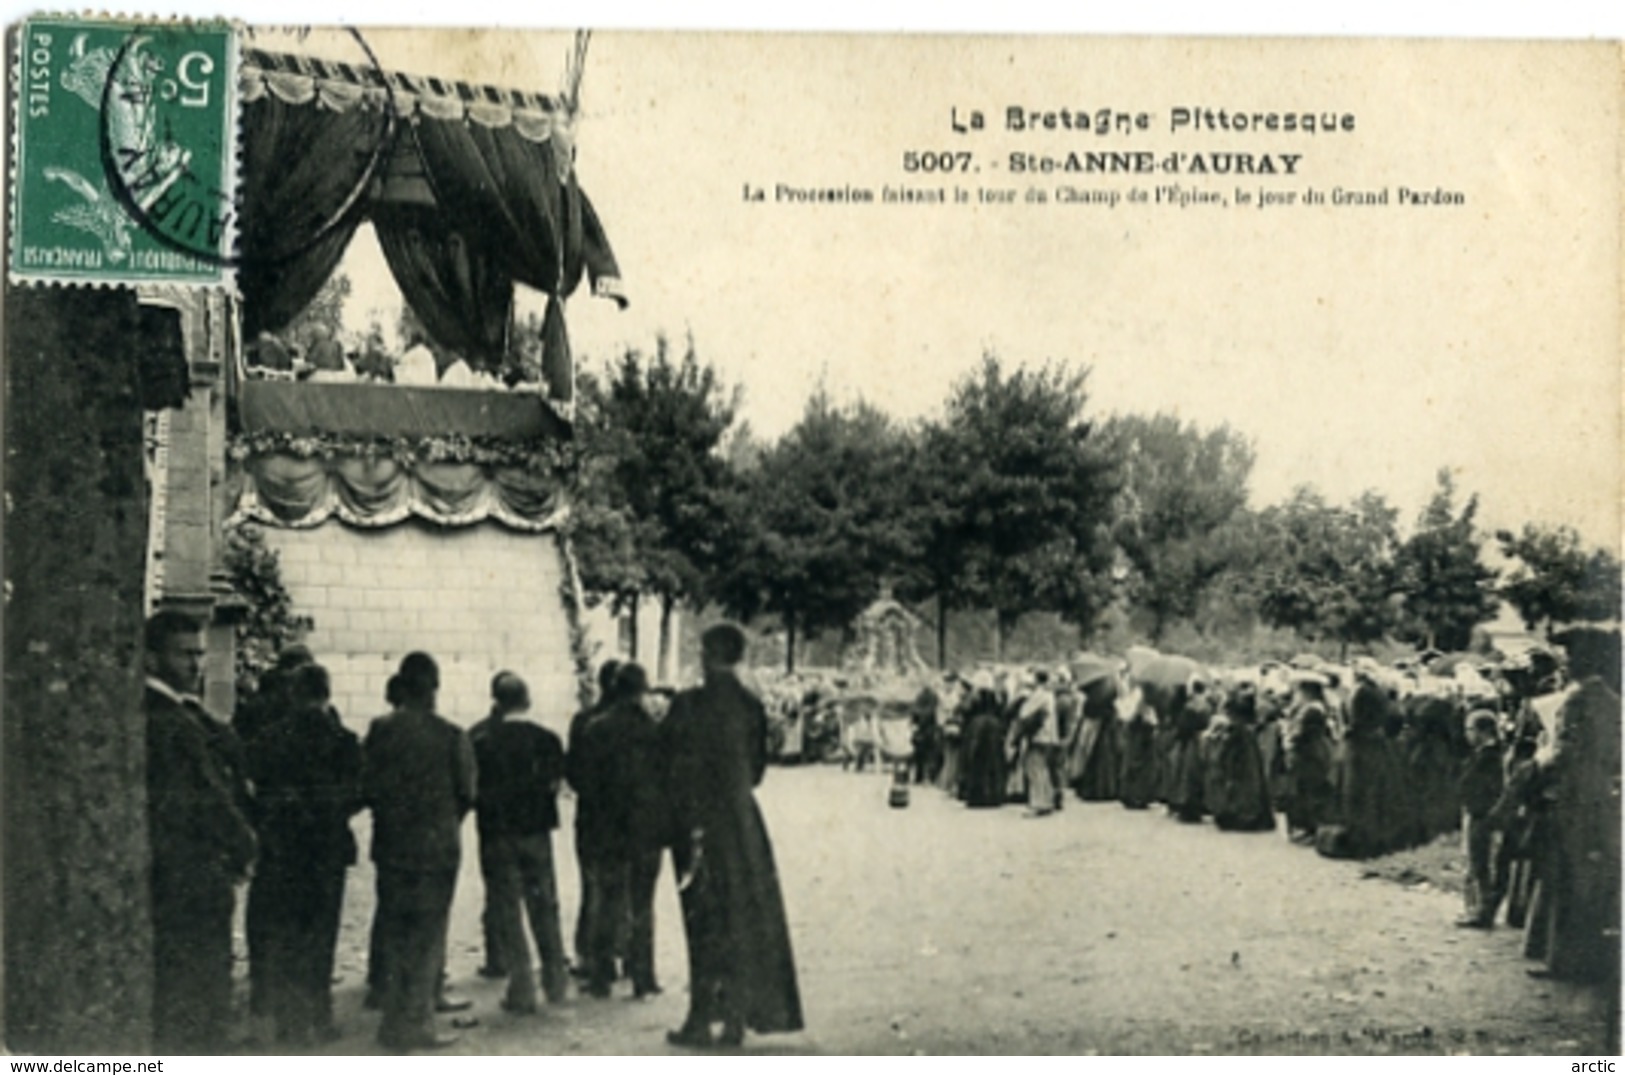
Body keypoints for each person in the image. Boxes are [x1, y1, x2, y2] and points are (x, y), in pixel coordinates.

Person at [662, 624, 803, 1047]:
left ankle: (701, 1017)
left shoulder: (687, 705)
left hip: (696, 822)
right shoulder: (752, 706)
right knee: (740, 917)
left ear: (706, 654)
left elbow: (665, 762)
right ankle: (737, 1018)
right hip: (742, 823)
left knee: (701, 920)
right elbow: (758, 770)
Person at [144, 610, 258, 1053]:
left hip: (180, 874)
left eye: (199, 654)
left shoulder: (177, 715)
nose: (195, 665)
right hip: (192, 876)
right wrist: (244, 843)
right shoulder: (172, 724)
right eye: (183, 654)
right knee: (198, 988)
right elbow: (208, 798)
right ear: (151, 659)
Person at [362, 652, 477, 1050]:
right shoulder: (450, 735)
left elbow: (367, 787)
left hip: (392, 846)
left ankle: (392, 1025)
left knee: (395, 934)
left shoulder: (380, 730)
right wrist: (443, 822)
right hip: (437, 849)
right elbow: (467, 793)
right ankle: (419, 1024)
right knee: (428, 938)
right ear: (434, 689)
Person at [247, 663, 362, 1043]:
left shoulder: (268, 739)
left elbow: (256, 791)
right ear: (327, 694)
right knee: (322, 934)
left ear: (293, 694)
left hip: (283, 848)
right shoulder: (345, 740)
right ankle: (321, 1016)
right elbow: (359, 792)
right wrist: (331, 812)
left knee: (287, 933)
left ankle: (290, 1023)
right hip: (328, 848)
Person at [468, 672, 569, 1013]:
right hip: (536, 834)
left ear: (496, 702)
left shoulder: (480, 741)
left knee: (507, 910)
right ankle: (556, 981)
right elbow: (556, 784)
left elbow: (472, 790)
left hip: (497, 835)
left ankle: (521, 986)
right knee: (545, 905)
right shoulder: (548, 740)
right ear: (528, 701)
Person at [571, 663, 666, 999]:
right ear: (643, 690)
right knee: (643, 903)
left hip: (607, 827)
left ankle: (601, 975)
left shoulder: (596, 729)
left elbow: (582, 780)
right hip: (646, 829)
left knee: (608, 899)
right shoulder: (656, 732)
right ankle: (643, 976)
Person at [566, 659, 622, 978]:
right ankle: (621, 952)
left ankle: (589, 953)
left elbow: (573, 773)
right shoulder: (639, 723)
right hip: (625, 817)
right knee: (621, 886)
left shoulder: (583, 721)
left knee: (593, 885)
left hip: (592, 815)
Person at [1202, 682, 1275, 832]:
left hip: (1237, 741)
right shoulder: (1248, 704)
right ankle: (1247, 814)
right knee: (1248, 778)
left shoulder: (1233, 706)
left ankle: (1237, 814)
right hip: (1246, 742)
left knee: (1236, 778)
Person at [1456, 711, 1505, 928]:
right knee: (1475, 862)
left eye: (1470, 729)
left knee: (1479, 863)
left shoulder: (1489, 757)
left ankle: (1482, 911)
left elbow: (1481, 786)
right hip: (1477, 812)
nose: (1467, 734)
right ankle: (1477, 909)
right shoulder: (1486, 754)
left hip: (1481, 814)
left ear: (1483, 731)